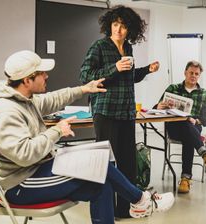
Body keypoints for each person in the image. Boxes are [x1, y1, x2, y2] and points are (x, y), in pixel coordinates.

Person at [0, 50, 174, 224]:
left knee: (102, 179)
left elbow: (53, 99)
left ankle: (139, 201)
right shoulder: (6, 111)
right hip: (20, 185)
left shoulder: (25, 99)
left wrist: (84, 89)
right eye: (42, 73)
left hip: (38, 170)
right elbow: (23, 154)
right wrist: (56, 131)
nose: (46, 76)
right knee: (99, 166)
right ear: (27, 80)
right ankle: (140, 200)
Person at [80, 5, 159, 218]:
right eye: (115, 25)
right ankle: (104, 211)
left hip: (125, 112)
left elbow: (129, 76)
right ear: (109, 25)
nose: (118, 30)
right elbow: (86, 76)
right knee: (105, 163)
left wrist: (146, 70)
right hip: (105, 112)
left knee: (127, 162)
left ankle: (125, 209)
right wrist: (114, 68)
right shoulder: (99, 46)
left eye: (123, 26)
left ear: (130, 29)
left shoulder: (129, 49)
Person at [156, 60, 206, 193]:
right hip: (174, 128)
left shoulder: (204, 94)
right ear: (185, 72)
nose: (193, 76)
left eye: (196, 74)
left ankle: (185, 179)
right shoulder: (173, 88)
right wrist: (159, 106)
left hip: (193, 127)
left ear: (199, 75)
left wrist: (195, 121)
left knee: (188, 132)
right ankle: (204, 156)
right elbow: (156, 108)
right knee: (186, 125)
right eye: (191, 72)